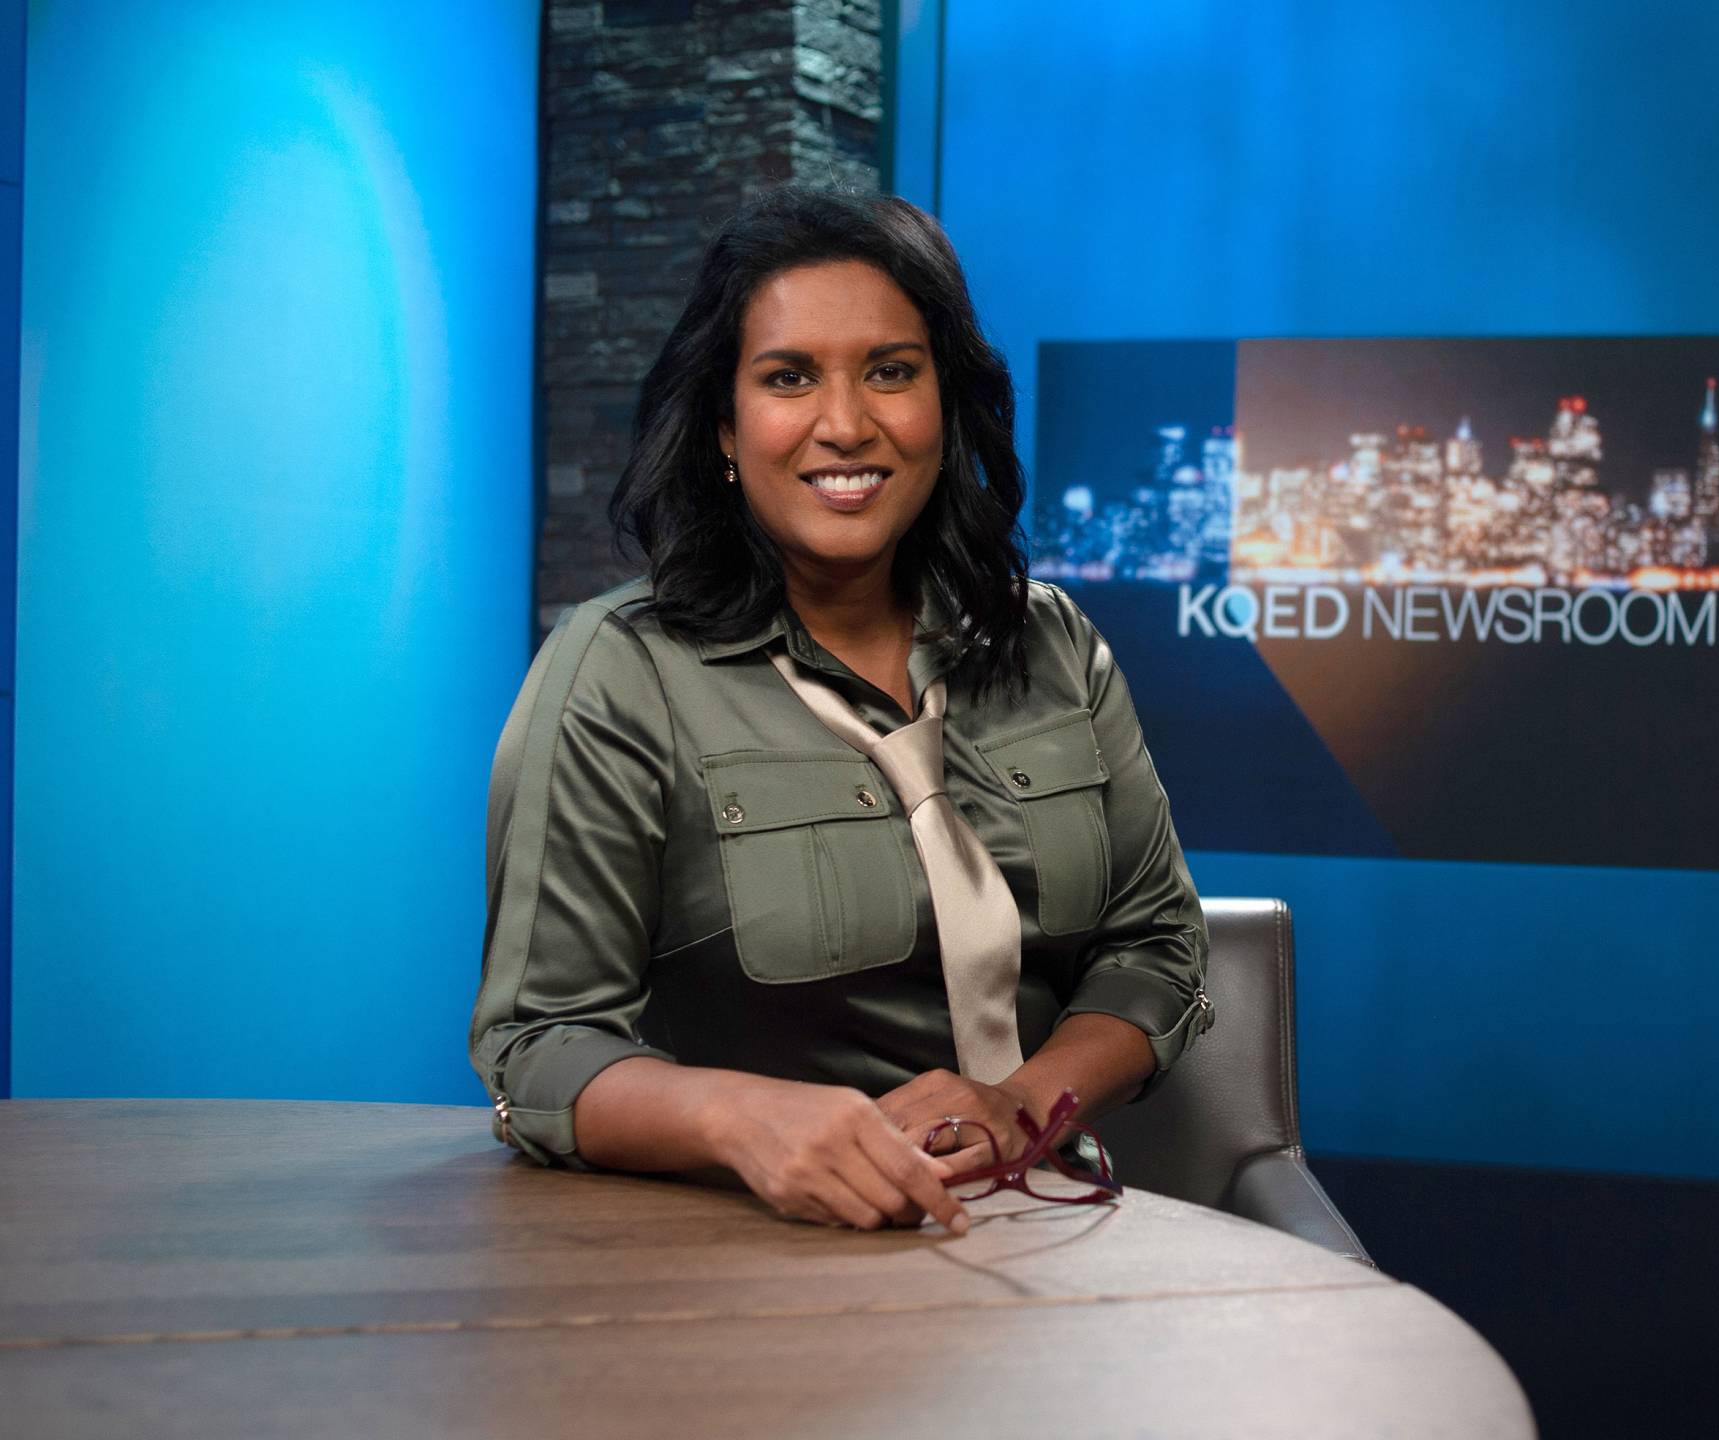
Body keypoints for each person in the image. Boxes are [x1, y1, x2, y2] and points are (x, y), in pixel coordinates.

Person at [469, 188, 1211, 1233]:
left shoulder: (1052, 644)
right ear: (725, 425)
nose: (847, 424)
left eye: (891, 373)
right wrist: (741, 1119)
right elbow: (539, 1046)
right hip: (759, 1251)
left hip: (1056, 1225)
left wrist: (1019, 1107)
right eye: (788, 378)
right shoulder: (619, 671)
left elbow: (1157, 945)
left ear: (945, 405)